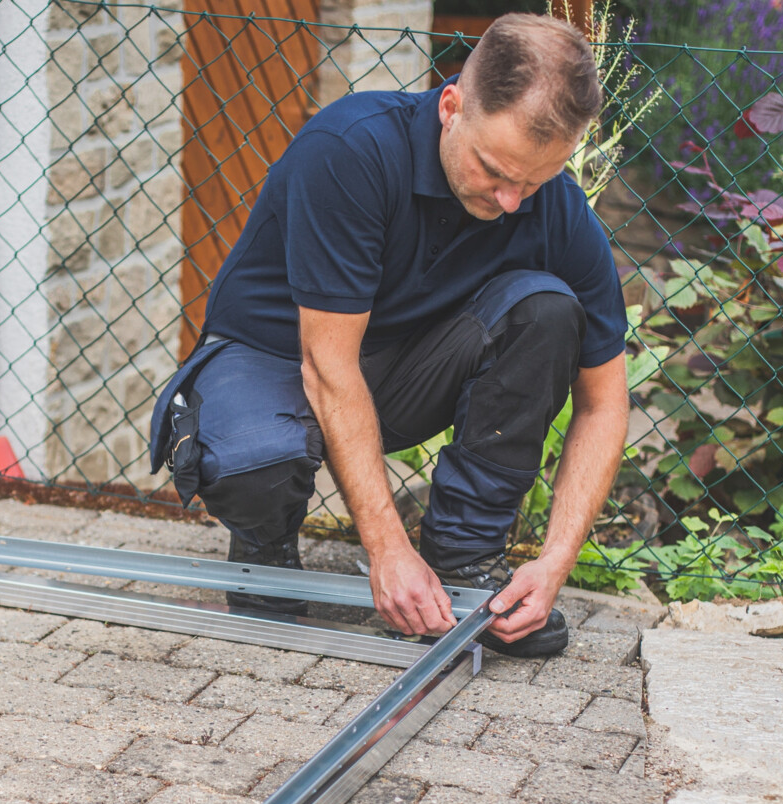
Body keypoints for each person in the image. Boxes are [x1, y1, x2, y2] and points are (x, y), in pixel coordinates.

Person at [149, 13, 629, 658]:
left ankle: (463, 563)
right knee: (257, 462)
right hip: (276, 360)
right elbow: (328, 368)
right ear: (452, 106)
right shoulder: (352, 149)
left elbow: (605, 403)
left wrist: (552, 566)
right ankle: (265, 554)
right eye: (494, 169)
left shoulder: (554, 206)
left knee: (546, 310)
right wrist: (387, 550)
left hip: (398, 375)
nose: (512, 199)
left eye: (534, 180)